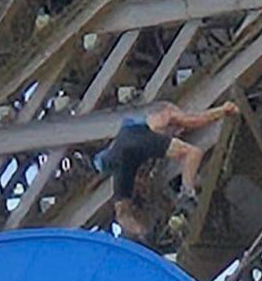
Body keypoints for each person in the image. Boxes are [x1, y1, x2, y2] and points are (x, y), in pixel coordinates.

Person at [93, 101, 240, 239]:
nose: (180, 131)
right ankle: (187, 194)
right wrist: (223, 110)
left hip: (121, 157)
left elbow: (122, 212)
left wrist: (141, 232)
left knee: (123, 210)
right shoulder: (166, 112)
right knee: (193, 153)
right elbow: (194, 121)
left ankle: (141, 234)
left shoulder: (126, 133)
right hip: (139, 141)